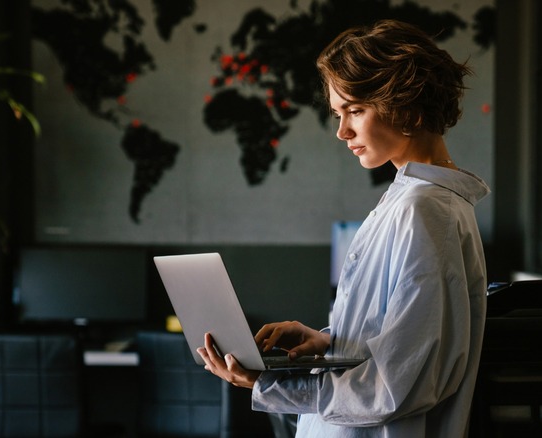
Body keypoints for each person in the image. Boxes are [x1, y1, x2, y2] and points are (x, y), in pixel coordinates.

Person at [197, 19, 489, 437]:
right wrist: (328, 341)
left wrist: (269, 384)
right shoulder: (411, 202)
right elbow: (397, 338)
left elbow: (399, 384)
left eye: (355, 110)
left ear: (405, 104)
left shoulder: (426, 211)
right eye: (339, 113)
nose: (342, 131)